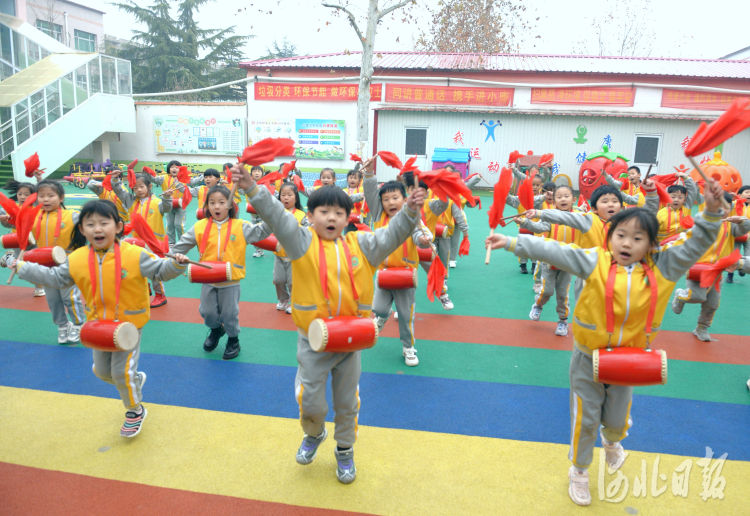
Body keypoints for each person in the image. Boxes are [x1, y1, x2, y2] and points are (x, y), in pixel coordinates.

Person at [486, 178, 726, 506]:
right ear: (609, 237)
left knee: (616, 420)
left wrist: (712, 213)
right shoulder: (594, 260)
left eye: (637, 238)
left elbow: (696, 242)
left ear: (651, 244)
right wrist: (515, 243)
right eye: (620, 235)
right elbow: (557, 249)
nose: (627, 243)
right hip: (587, 355)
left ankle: (612, 442)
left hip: (630, 359)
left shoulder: (664, 267)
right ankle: (580, 471)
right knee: (585, 415)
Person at [235, 159, 424, 484]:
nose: (332, 217)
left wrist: (409, 211)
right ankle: (314, 433)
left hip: (351, 342)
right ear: (310, 217)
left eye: (339, 212)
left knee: (347, 403)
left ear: (348, 218)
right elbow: (278, 218)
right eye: (324, 211)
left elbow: (393, 234)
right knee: (311, 402)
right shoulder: (301, 243)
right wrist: (253, 189)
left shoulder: (364, 245)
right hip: (313, 342)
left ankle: (345, 450)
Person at [10, 199, 189, 438]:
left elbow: (160, 272)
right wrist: (21, 266)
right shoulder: (76, 258)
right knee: (102, 372)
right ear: (82, 230)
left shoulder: (135, 254)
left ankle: (135, 411)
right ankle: (134, 381)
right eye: (90, 224)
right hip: (97, 326)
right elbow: (53, 277)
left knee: (120, 373)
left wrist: (176, 265)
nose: (97, 229)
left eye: (104, 223)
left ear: (118, 226)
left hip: (129, 325)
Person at [172, 185, 270, 359]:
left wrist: (272, 214)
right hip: (207, 279)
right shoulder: (199, 226)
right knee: (207, 312)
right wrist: (177, 255)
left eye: (221, 202)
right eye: (212, 203)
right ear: (207, 206)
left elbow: (262, 231)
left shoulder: (241, 226)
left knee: (229, 314)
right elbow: (179, 247)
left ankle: (233, 339)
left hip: (230, 280)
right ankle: (216, 330)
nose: (216, 207)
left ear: (230, 205)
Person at [368, 180, 432, 366]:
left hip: (405, 277)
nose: (390, 202)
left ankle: (408, 348)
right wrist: (370, 174)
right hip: (384, 274)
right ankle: (384, 315)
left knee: (405, 316)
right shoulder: (379, 217)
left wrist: (424, 239)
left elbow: (420, 236)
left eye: (395, 198)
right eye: (386, 199)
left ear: (405, 200)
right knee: (378, 308)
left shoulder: (411, 219)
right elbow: (371, 192)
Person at [671, 193, 750, 341]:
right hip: (698, 268)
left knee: (712, 303)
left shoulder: (731, 226)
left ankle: (701, 328)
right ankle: (680, 295)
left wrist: (742, 221)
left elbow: (744, 230)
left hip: (717, 271)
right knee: (697, 296)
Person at [516, 185, 576, 336]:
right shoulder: (550, 216)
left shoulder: (578, 218)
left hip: (567, 263)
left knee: (563, 295)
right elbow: (538, 227)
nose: (563, 199)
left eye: (566, 196)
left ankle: (563, 321)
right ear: (554, 201)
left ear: (573, 200)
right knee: (547, 291)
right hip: (549, 261)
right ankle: (538, 305)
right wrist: (524, 222)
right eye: (559, 197)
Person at [31, 180, 86, 343]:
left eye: (50, 196)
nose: (45, 200)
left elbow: (89, 223)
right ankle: (62, 326)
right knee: (53, 299)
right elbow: (19, 228)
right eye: (41, 196)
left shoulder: (72, 216)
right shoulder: (34, 217)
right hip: (45, 265)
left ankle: (78, 325)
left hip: (67, 264)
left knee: (70, 297)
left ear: (61, 197)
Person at [119, 173, 173, 308]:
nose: (138, 190)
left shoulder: (157, 202)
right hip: (136, 243)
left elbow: (167, 208)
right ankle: (144, 288)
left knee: (154, 270)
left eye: (141, 187)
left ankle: (160, 295)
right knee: (134, 267)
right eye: (135, 188)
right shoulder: (131, 202)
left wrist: (167, 198)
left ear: (149, 186)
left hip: (154, 244)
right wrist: (115, 179)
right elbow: (119, 191)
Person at [0, 180, 45, 297]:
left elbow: (43, 191)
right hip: (18, 242)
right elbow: (8, 224)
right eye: (20, 194)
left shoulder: (38, 207)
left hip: (35, 241)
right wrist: (4, 219)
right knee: (20, 267)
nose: (22, 197)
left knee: (37, 264)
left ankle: (39, 288)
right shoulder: (13, 209)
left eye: (26, 194)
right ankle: (8, 258)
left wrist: (39, 180)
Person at [273, 181, 308, 313]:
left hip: (294, 256)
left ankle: (294, 302)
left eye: (289, 195)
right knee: (278, 280)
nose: (286, 198)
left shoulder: (301, 214)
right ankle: (283, 300)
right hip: (279, 254)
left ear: (296, 197)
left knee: (293, 282)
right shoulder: (276, 213)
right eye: (283, 195)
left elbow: (307, 231)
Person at [725, 185, 750, 283]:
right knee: (734, 255)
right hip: (735, 233)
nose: (749, 194)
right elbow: (726, 206)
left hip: (748, 236)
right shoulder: (734, 204)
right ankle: (730, 275)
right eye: (747, 192)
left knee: (748, 255)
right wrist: (731, 198)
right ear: (739, 194)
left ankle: (743, 268)